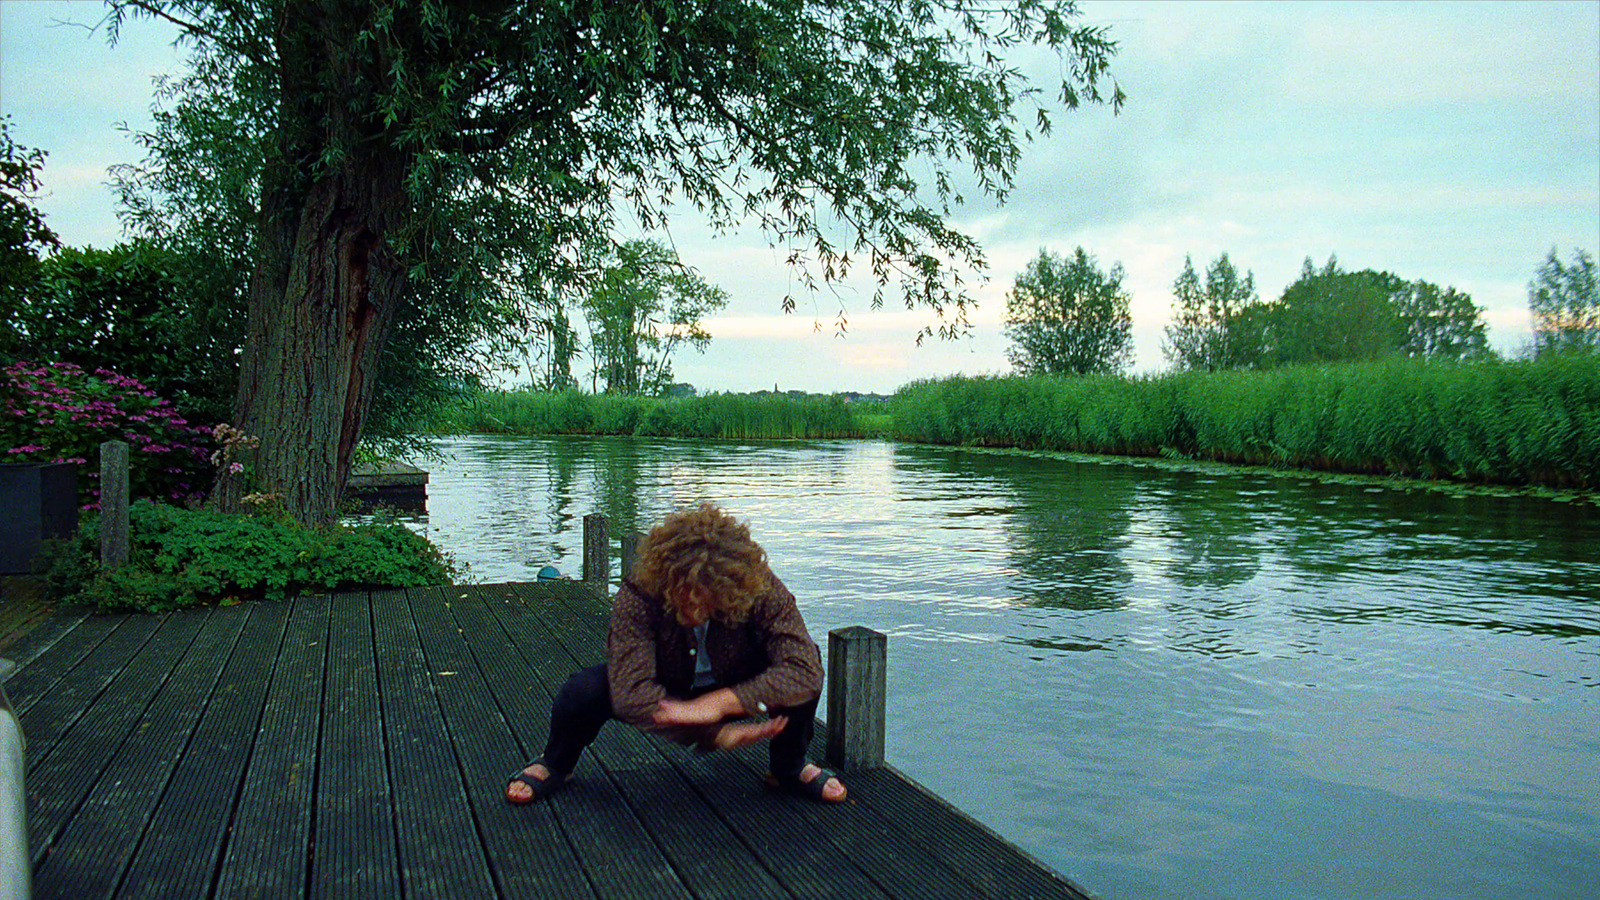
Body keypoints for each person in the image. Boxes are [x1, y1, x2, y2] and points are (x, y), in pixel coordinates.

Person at [506, 501, 847, 805]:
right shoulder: (639, 591)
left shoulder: (756, 584)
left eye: (704, 594)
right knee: (583, 691)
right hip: (668, 686)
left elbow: (803, 669)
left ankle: (787, 767)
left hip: (738, 681)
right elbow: (631, 692)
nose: (691, 604)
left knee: (803, 669)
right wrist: (710, 733)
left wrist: (721, 704)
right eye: (682, 590)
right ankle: (556, 763)